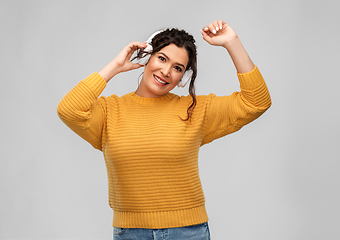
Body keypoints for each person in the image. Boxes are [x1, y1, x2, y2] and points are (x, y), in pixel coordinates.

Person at [57, 19, 271, 240]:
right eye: (162, 58)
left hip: (188, 232)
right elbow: (68, 110)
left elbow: (256, 102)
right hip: (131, 233)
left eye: (178, 68)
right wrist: (115, 67)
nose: (166, 71)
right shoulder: (110, 111)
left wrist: (231, 42)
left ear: (184, 77)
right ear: (146, 57)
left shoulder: (194, 109)